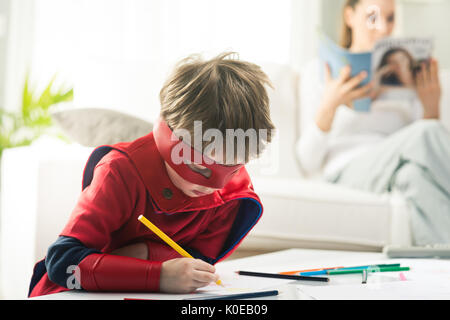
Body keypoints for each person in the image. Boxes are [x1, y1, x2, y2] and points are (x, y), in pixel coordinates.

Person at [28, 52, 275, 297]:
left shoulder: (231, 194)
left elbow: (197, 262)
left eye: (232, 169)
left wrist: (144, 252)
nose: (215, 185)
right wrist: (158, 275)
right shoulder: (119, 172)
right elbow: (63, 263)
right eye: (200, 167)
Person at [297, 0, 450, 245]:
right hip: (345, 171)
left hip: (395, 169)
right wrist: (330, 106)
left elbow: (425, 155)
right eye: (372, 17)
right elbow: (307, 161)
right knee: (425, 134)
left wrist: (431, 105)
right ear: (350, 16)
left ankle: (439, 266)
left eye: (390, 18)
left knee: (414, 177)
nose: (383, 28)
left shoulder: (403, 76)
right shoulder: (318, 72)